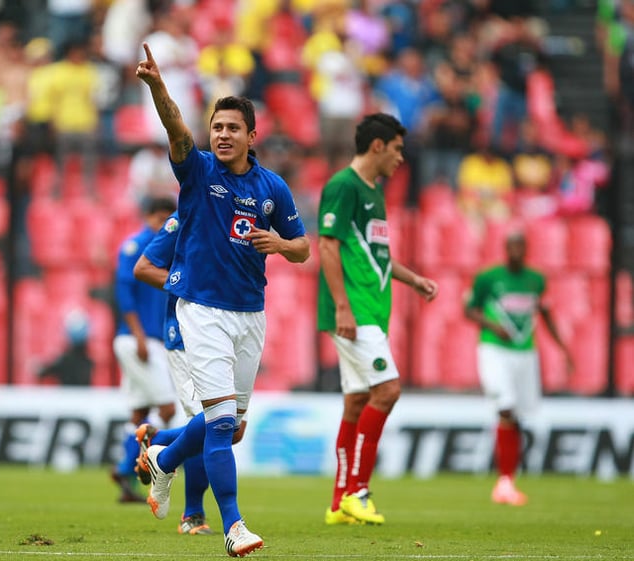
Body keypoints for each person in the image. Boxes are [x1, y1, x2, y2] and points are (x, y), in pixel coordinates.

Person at [135, 43, 310, 557]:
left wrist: (280, 244)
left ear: (252, 136)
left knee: (229, 427)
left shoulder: (272, 187)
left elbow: (302, 247)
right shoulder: (199, 172)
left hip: (250, 315)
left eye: (234, 128)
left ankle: (163, 460)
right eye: (218, 127)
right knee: (218, 423)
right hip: (203, 314)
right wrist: (158, 88)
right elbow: (176, 131)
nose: (224, 135)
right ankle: (232, 526)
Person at [317, 113, 439, 526]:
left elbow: (378, 256)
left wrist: (414, 279)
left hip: (372, 308)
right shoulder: (343, 186)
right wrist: (342, 306)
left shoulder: (374, 192)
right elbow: (328, 247)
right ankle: (357, 490)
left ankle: (339, 503)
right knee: (387, 391)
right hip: (355, 311)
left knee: (356, 401)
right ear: (377, 146)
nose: (401, 158)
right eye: (398, 149)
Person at [133, 209, 249, 536]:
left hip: (227, 332)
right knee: (216, 422)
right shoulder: (186, 215)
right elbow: (143, 268)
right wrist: (187, 286)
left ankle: (159, 444)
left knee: (231, 428)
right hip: (186, 336)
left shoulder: (240, 210)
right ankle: (193, 514)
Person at [464, 231, 572, 506]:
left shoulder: (536, 280)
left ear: (526, 249)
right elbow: (469, 309)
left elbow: (546, 314)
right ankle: (504, 482)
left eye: (520, 246)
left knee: (517, 416)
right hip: (494, 350)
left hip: (525, 354)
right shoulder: (488, 278)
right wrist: (492, 325)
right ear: (505, 248)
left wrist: (563, 349)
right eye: (512, 246)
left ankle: (508, 480)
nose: (516, 251)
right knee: (506, 408)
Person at [111, 196, 178, 503]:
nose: (164, 225)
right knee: (167, 409)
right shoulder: (136, 247)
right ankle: (139, 464)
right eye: (161, 218)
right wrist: (138, 335)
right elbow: (124, 293)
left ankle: (125, 472)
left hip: (152, 340)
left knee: (139, 411)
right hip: (138, 341)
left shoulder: (166, 250)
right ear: (149, 216)